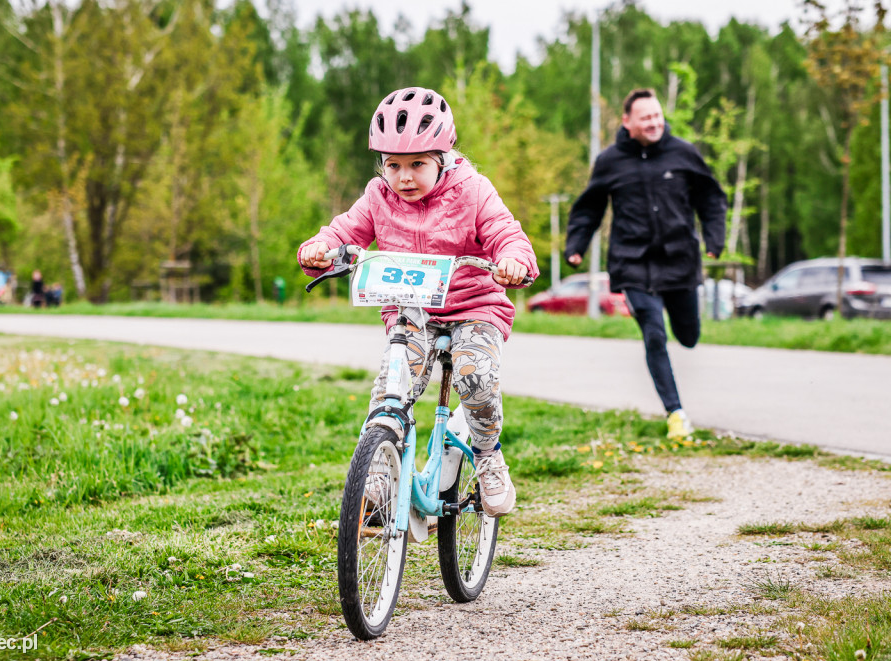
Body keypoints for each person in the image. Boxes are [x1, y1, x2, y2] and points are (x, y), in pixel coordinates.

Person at [297, 87, 538, 517]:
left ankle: (487, 456)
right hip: (412, 310)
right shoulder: (378, 197)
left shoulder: (474, 191)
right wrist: (320, 248)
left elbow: (506, 233)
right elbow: (344, 231)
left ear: (442, 158)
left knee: (474, 376)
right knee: (393, 386)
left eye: (417, 164)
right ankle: (378, 468)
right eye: (394, 165)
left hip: (474, 306)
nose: (404, 177)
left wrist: (513, 259)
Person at [564, 88, 726, 439]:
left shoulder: (683, 153)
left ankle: (685, 340)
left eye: (657, 116)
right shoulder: (610, 161)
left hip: (680, 262)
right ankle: (676, 414)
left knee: (689, 336)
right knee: (654, 333)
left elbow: (711, 197)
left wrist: (715, 239)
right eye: (646, 118)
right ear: (627, 122)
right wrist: (576, 245)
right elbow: (590, 206)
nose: (654, 123)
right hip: (633, 263)